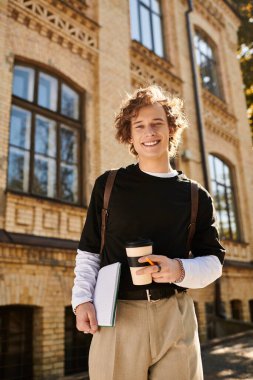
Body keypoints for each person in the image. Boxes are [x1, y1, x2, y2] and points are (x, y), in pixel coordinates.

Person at [72, 85, 225, 380]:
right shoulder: (109, 185)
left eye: (156, 123)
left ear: (171, 128)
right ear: (129, 135)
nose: (149, 132)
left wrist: (178, 269)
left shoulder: (196, 196)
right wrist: (81, 300)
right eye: (139, 126)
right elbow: (89, 251)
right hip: (117, 316)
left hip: (175, 316)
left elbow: (214, 262)